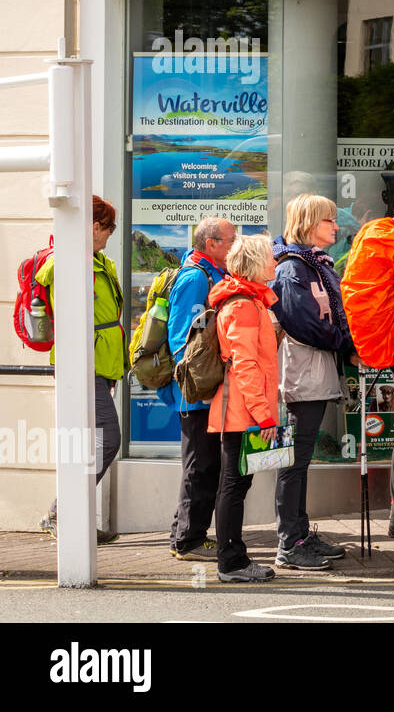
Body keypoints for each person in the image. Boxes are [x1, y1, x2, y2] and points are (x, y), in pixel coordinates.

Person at [270, 194, 355, 571]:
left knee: (300, 460)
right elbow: (304, 324)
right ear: (307, 223)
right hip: (300, 376)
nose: (335, 227)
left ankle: (300, 533)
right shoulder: (293, 269)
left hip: (313, 373)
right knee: (293, 461)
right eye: (328, 221)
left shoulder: (315, 265)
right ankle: (290, 543)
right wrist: (346, 343)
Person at [35, 195, 125, 545]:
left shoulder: (98, 262)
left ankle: (74, 517)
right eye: (106, 227)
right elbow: (75, 319)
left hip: (98, 365)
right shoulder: (68, 264)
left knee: (90, 443)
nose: (108, 234)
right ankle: (62, 511)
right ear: (90, 225)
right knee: (109, 439)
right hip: (81, 365)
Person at [161, 216, 236, 561]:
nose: (235, 245)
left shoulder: (213, 272)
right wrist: (200, 383)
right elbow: (182, 340)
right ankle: (188, 542)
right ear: (211, 244)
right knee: (200, 466)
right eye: (230, 239)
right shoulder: (195, 277)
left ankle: (186, 532)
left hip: (208, 390)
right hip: (196, 392)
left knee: (206, 465)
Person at [207, 233, 281, 583]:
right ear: (254, 263)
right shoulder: (243, 306)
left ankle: (234, 557)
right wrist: (262, 413)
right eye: (270, 257)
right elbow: (246, 365)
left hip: (242, 409)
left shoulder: (251, 302)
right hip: (242, 412)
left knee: (236, 485)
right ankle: (231, 562)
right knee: (234, 485)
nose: (275, 262)